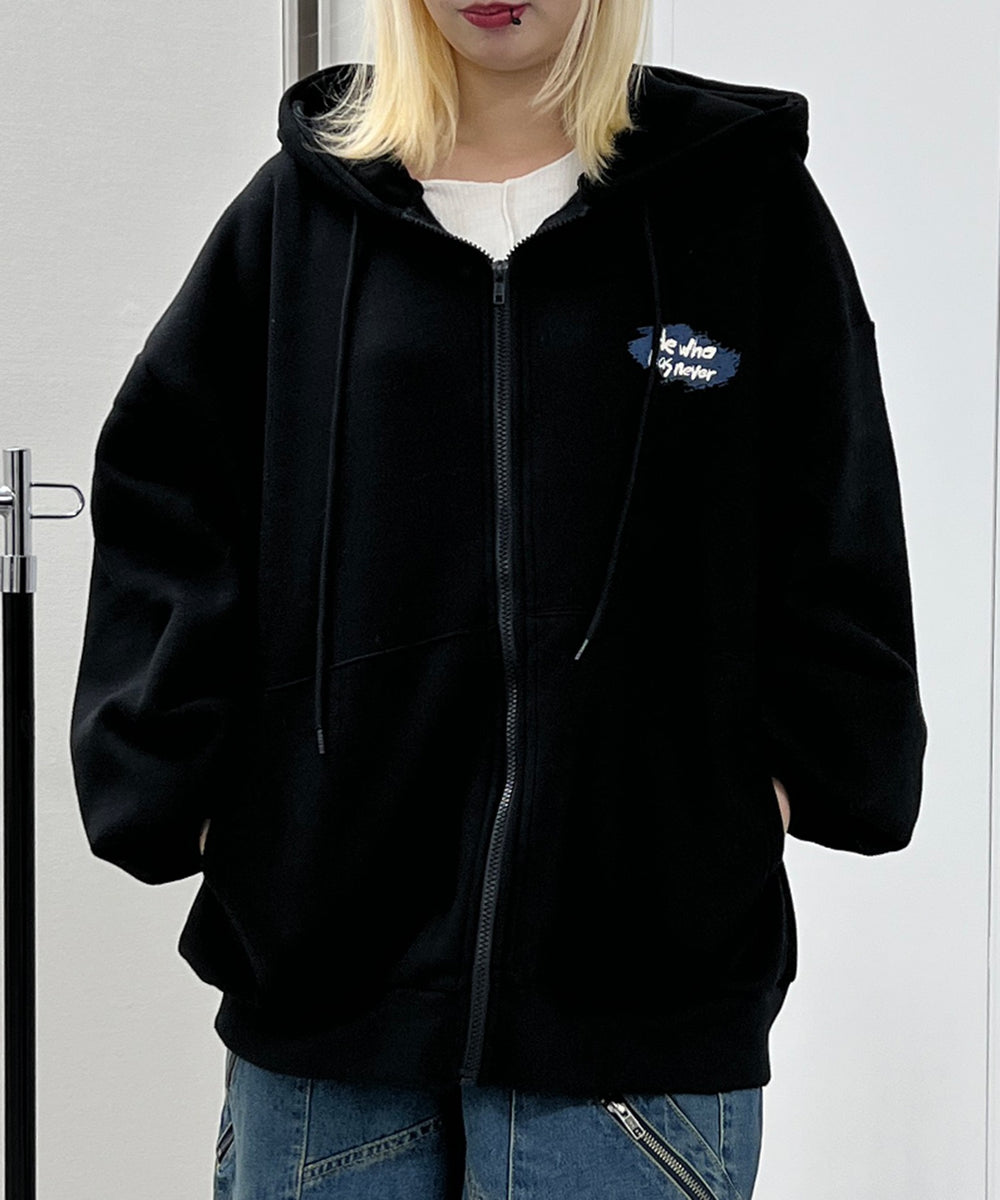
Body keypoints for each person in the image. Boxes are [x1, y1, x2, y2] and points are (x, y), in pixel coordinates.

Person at [68, 0, 927, 1196]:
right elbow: (167, 490)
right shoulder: (302, 214)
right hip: (327, 1011)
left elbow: (832, 507)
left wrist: (761, 794)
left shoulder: (739, 206)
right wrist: (194, 793)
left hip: (638, 1020)